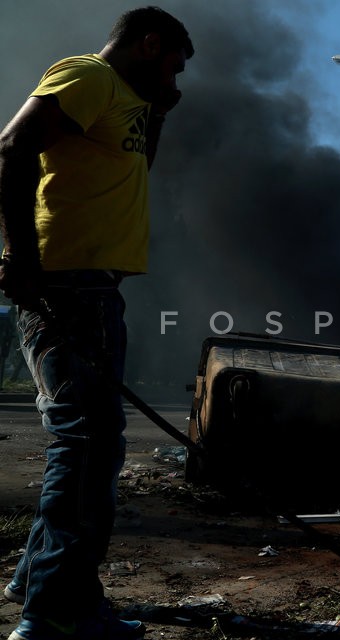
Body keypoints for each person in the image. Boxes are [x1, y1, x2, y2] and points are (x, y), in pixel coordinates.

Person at [0, 7, 193, 640]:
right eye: (173, 64)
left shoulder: (126, 107)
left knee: (86, 442)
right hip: (69, 285)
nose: (177, 75)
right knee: (88, 446)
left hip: (94, 288)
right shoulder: (88, 77)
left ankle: (37, 580)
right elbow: (12, 146)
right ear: (149, 43)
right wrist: (19, 261)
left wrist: (160, 109)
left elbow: (137, 172)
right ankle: (59, 611)